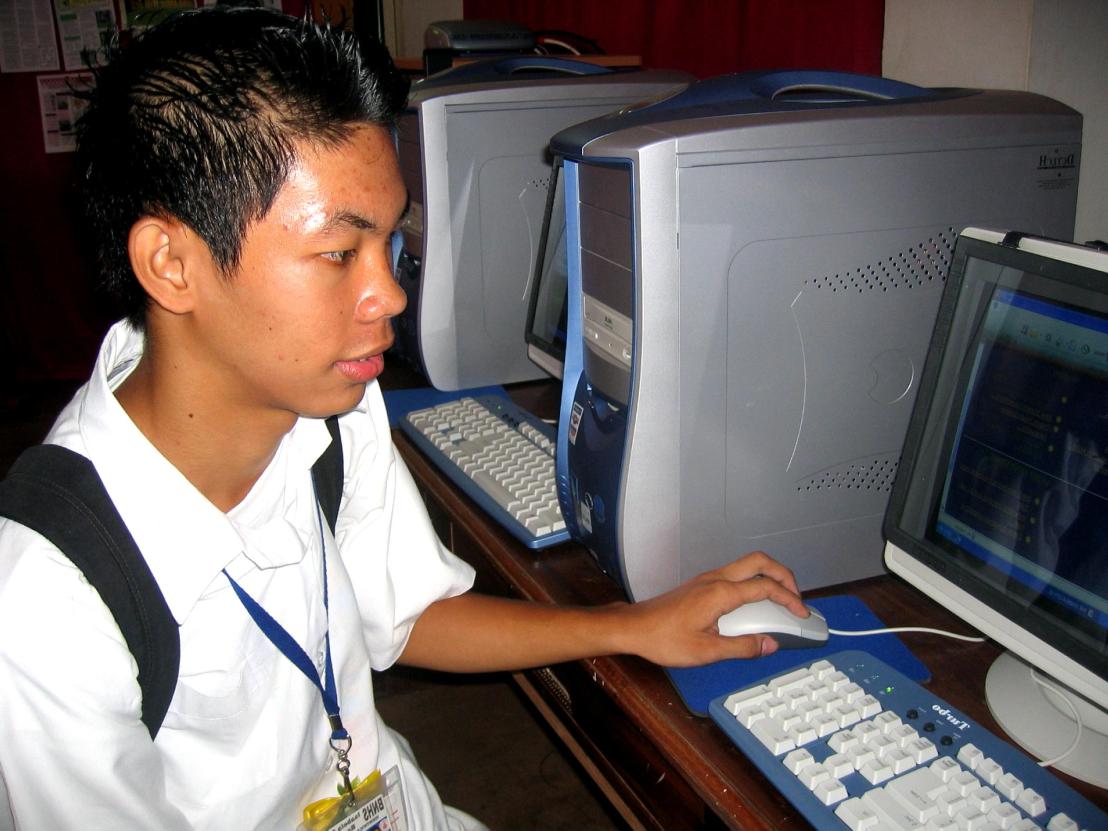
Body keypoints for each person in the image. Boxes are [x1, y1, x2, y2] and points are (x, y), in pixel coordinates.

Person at [0, 8, 808, 830]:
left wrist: (632, 625)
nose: (389, 294)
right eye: (339, 253)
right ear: (173, 265)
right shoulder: (49, 607)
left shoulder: (329, 408)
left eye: (388, 243)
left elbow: (407, 612)